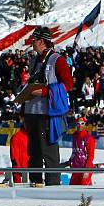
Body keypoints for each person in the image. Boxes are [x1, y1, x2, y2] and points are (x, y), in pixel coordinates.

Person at [23, 26, 73, 186]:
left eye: (34, 40)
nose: (32, 43)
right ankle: (35, 183)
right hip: (31, 112)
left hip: (47, 113)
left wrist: (44, 91)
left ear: (42, 41)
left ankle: (53, 186)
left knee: (49, 151)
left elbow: (68, 84)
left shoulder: (57, 59)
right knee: (33, 151)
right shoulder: (34, 60)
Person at [68, 117, 95, 185]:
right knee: (72, 189)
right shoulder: (75, 136)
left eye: (82, 123)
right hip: (76, 168)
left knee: (83, 189)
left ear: (85, 124)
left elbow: (91, 155)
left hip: (85, 167)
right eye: (78, 123)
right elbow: (74, 151)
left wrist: (87, 170)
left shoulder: (88, 138)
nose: (80, 125)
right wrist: (70, 161)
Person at [9, 117, 29, 184]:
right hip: (19, 168)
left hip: (30, 168)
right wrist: (16, 168)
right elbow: (14, 155)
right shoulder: (16, 137)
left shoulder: (32, 136)